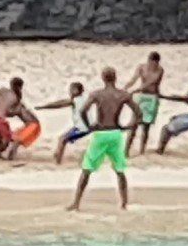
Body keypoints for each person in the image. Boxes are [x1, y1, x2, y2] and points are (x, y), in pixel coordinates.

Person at [68, 67, 141, 211]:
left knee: (87, 168)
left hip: (100, 133)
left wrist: (89, 127)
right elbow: (138, 113)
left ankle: (76, 203)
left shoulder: (97, 94)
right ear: (115, 78)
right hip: (115, 134)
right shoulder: (123, 94)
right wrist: (128, 126)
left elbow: (83, 111)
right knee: (120, 170)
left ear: (103, 78)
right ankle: (124, 203)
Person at [38, 82, 91, 164]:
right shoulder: (84, 99)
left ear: (77, 90)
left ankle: (58, 162)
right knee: (62, 139)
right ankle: (57, 156)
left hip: (82, 128)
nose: (69, 92)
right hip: (82, 127)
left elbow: (59, 104)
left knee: (62, 140)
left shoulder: (75, 100)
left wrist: (43, 107)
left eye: (71, 89)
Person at [124, 51, 164, 155]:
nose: (152, 65)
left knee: (146, 127)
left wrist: (135, 90)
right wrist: (125, 88)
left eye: (155, 63)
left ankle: (142, 151)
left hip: (152, 98)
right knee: (134, 124)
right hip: (142, 97)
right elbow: (133, 79)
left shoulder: (160, 70)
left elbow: (151, 83)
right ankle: (126, 151)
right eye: (151, 62)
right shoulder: (141, 67)